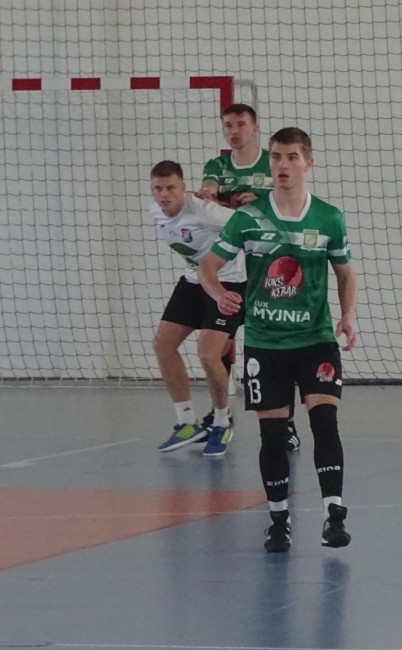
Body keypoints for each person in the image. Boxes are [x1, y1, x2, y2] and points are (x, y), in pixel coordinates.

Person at [198, 127, 359, 552]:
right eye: (275, 157)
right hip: (266, 344)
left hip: (315, 340)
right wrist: (219, 294)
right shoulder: (248, 218)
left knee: (324, 422)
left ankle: (334, 514)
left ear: (308, 162)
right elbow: (208, 266)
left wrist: (347, 316)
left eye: (291, 157)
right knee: (272, 436)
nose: (282, 165)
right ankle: (278, 520)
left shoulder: (328, 217)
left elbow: (345, 272)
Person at [197, 104, 299, 451]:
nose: (234, 131)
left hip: (268, 266)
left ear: (254, 128)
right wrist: (213, 196)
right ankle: (220, 413)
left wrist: (262, 200)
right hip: (229, 269)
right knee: (220, 343)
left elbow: (289, 199)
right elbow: (209, 190)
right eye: (228, 125)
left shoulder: (273, 163)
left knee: (277, 346)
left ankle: (286, 421)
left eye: (241, 124)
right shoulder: (218, 166)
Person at [148, 160, 244, 458]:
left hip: (229, 281)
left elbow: (245, 225)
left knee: (207, 353)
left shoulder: (203, 211)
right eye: (158, 189)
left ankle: (221, 421)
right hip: (193, 281)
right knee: (163, 345)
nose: (164, 195)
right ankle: (187, 421)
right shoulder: (155, 212)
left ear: (183, 188)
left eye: (171, 188)